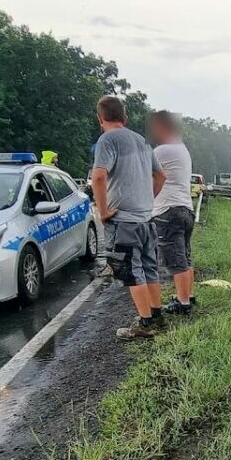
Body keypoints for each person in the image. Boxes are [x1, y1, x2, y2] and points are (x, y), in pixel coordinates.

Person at [90, 95, 167, 339]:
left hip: (123, 221)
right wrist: (147, 200)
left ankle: (144, 324)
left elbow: (99, 177)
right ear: (124, 116)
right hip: (146, 219)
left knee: (132, 272)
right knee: (149, 267)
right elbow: (160, 177)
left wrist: (102, 211)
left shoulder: (107, 140)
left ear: (100, 118)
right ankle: (157, 315)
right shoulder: (142, 141)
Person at [148, 111, 196, 315]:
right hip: (185, 208)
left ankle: (182, 303)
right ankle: (188, 295)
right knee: (185, 256)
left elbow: (146, 173)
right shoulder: (181, 148)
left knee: (176, 261)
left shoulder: (161, 152)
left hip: (168, 210)